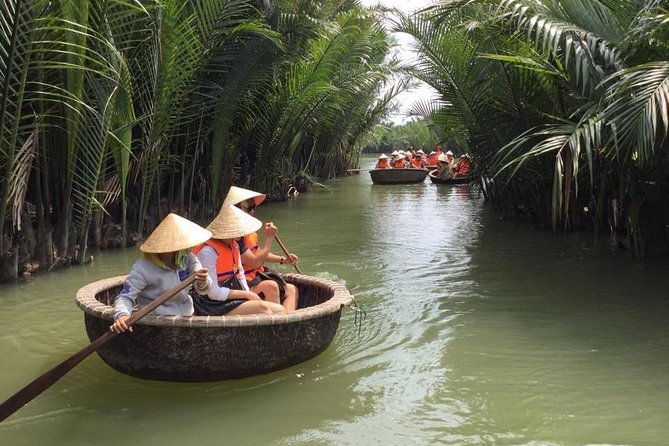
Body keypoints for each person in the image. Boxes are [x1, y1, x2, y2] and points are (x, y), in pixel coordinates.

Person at [110, 213, 213, 333]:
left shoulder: (188, 258)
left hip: (187, 317)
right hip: (158, 323)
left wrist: (203, 281)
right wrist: (122, 315)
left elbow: (203, 290)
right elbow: (125, 296)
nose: (187, 249)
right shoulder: (142, 268)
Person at [193, 204, 286, 315]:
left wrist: (247, 293)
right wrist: (247, 295)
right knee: (262, 308)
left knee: (281, 310)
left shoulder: (235, 246)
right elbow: (212, 293)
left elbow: (240, 275)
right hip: (211, 303)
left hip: (230, 295)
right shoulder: (208, 252)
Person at [223, 186, 299, 311]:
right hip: (240, 284)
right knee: (271, 286)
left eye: (254, 208)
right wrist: (269, 238)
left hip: (254, 278)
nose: (253, 212)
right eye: (250, 208)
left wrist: (283, 259)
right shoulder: (233, 236)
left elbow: (257, 253)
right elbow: (255, 262)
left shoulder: (249, 232)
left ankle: (286, 325)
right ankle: (276, 325)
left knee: (292, 290)